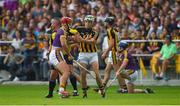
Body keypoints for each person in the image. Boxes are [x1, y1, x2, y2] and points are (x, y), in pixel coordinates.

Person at [45, 18, 80, 98]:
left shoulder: (60, 31)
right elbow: (64, 44)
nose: (70, 25)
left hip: (56, 53)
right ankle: (61, 91)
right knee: (66, 72)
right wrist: (69, 54)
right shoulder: (61, 31)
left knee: (55, 74)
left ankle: (53, 93)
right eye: (69, 24)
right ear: (65, 24)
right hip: (56, 53)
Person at [76, 15, 105, 98]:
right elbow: (76, 38)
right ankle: (84, 92)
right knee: (83, 73)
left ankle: (102, 89)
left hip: (93, 54)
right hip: (82, 54)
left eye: (89, 22)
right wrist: (81, 40)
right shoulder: (78, 29)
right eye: (86, 21)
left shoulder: (95, 31)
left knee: (96, 73)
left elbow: (92, 41)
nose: (87, 23)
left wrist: (82, 40)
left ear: (92, 23)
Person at [101, 16, 127, 93]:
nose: (104, 23)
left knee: (117, 71)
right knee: (107, 70)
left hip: (113, 52)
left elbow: (112, 43)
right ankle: (102, 87)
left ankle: (124, 88)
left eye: (105, 22)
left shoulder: (110, 31)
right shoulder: (115, 30)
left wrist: (105, 52)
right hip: (114, 52)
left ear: (108, 23)